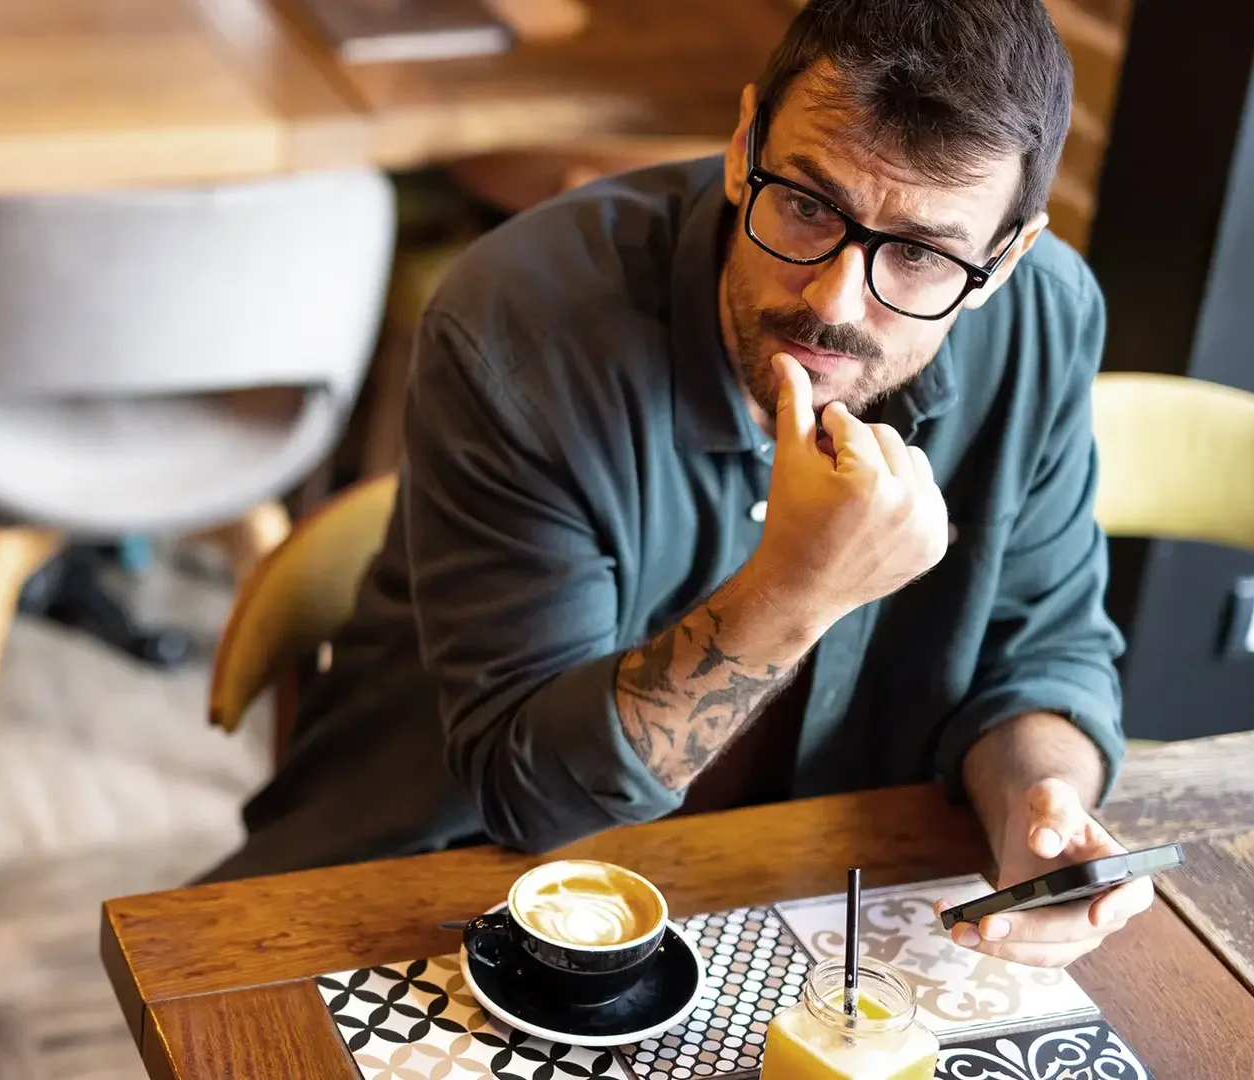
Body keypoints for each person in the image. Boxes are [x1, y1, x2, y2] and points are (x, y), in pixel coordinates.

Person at [198, 0, 1155, 969]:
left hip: (801, 910)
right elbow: (533, 797)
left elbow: (1042, 650)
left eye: (915, 255)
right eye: (806, 204)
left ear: (1003, 259)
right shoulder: (519, 326)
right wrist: (797, 589)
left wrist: (1039, 804)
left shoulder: (1042, 320)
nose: (830, 300)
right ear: (744, 148)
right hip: (431, 898)